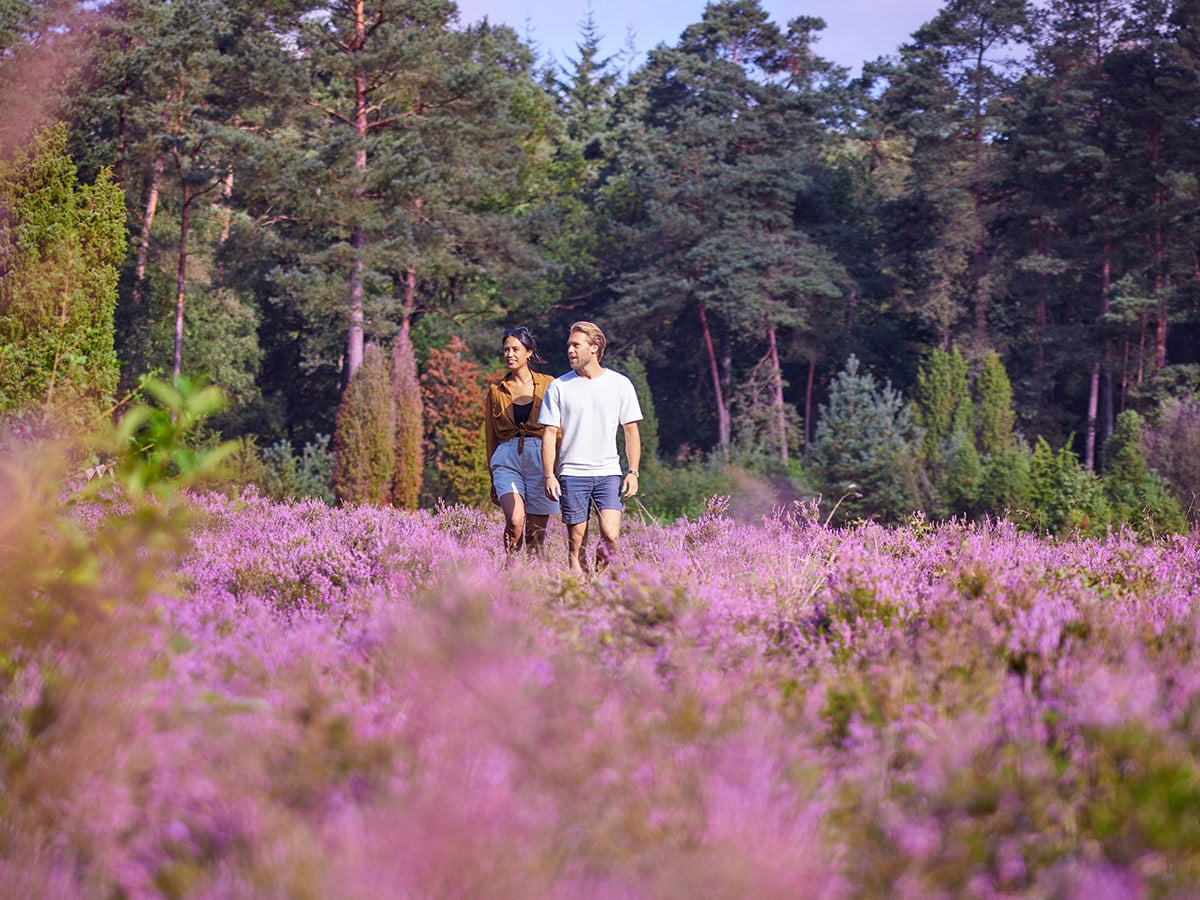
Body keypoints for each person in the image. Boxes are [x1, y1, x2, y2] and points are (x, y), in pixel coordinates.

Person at [539, 321, 642, 577]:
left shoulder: (620, 384)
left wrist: (633, 471)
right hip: (572, 473)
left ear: (594, 347)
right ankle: (579, 588)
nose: (570, 350)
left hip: (608, 472)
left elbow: (631, 431)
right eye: (568, 346)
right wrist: (549, 475)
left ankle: (595, 578)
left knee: (610, 535)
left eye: (576, 345)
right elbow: (549, 434)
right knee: (576, 542)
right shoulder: (559, 387)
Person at [484, 326, 560, 557]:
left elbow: (558, 432)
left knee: (536, 536)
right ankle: (510, 565)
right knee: (515, 520)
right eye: (506, 349)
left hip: (541, 456)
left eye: (515, 349)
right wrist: (491, 478)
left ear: (529, 352)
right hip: (507, 457)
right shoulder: (496, 390)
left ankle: (527, 581)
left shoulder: (549, 384)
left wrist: (556, 470)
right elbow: (490, 436)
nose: (509, 354)